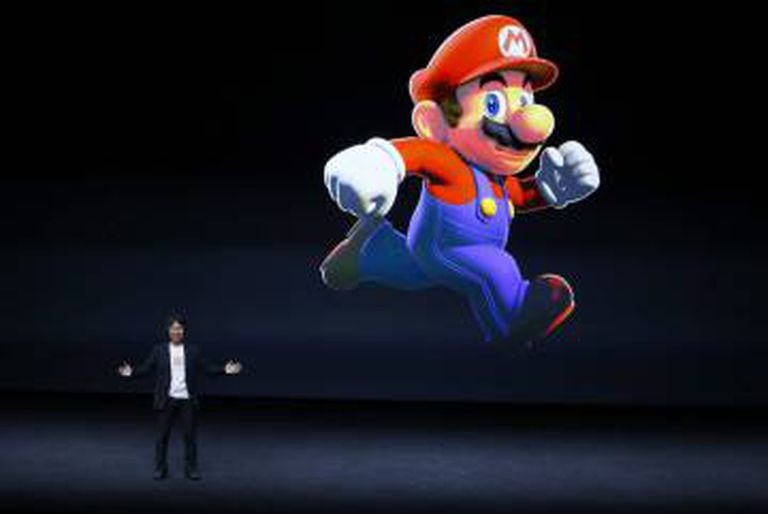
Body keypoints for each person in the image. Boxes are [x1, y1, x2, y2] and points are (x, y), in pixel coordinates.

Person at [116, 315, 243, 480]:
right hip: (166, 399)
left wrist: (224, 370)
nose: (176, 331)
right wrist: (131, 372)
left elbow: (208, 368)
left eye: (180, 328)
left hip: (187, 400)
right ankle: (160, 469)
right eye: (173, 328)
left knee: (189, 436)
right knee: (162, 436)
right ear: (168, 331)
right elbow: (145, 369)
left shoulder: (193, 351)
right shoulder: (159, 350)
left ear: (184, 331)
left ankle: (191, 469)